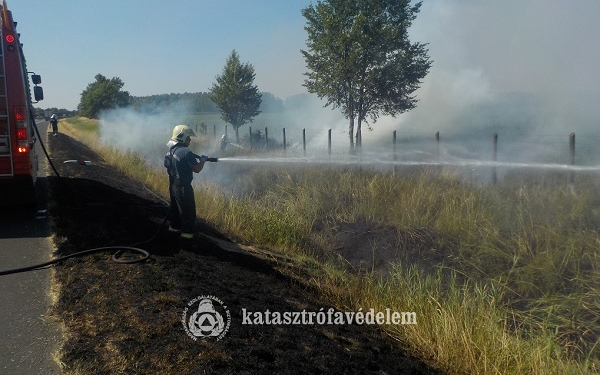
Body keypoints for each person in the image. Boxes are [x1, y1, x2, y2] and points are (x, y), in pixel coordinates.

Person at [164, 124, 208, 241]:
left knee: (175, 210)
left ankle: (173, 233)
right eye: (188, 137)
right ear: (182, 137)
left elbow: (166, 165)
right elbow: (197, 169)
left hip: (173, 185)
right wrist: (202, 161)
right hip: (184, 187)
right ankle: (187, 238)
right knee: (188, 213)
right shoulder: (186, 152)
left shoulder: (170, 151)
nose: (190, 139)